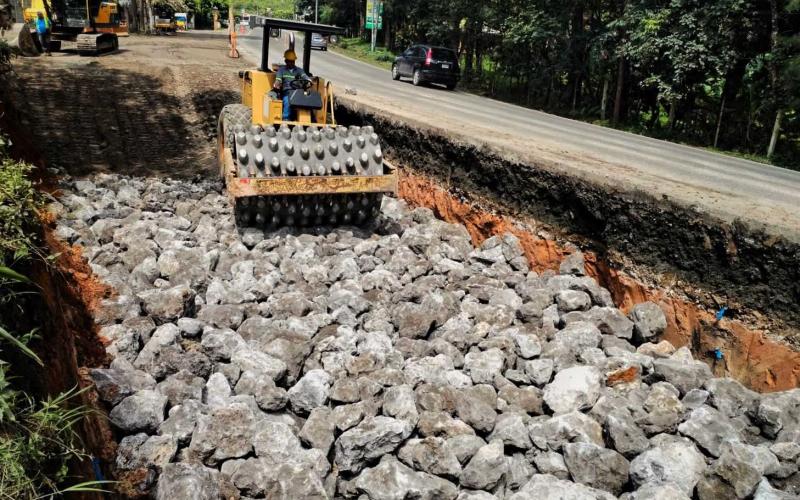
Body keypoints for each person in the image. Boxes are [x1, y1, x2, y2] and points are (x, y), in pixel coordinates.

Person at [268, 49, 311, 120]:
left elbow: (304, 76)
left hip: (298, 92)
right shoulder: (281, 70)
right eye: (289, 61)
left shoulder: (299, 70)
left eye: (293, 61)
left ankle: (308, 120)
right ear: (286, 61)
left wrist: (308, 80)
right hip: (286, 92)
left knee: (308, 100)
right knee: (288, 101)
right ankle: (285, 119)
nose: (291, 63)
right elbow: (278, 80)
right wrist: (276, 84)